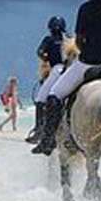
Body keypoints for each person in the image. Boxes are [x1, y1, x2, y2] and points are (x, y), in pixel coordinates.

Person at [33, 0, 101, 155]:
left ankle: (48, 140)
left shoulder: (85, 9)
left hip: (87, 64)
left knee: (54, 96)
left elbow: (80, 39)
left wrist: (85, 51)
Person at [25, 15, 67, 146]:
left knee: (40, 98)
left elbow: (40, 52)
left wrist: (46, 57)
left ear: (50, 28)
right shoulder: (70, 39)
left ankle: (39, 130)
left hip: (57, 69)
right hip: (71, 69)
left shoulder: (48, 39)